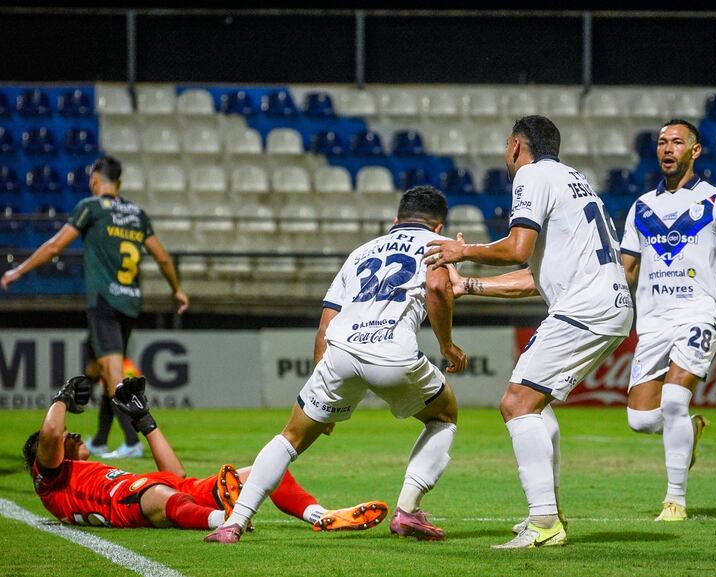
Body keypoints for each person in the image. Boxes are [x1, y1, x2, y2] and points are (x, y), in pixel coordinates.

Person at [204, 185, 467, 544]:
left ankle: (233, 523)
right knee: (444, 415)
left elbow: (325, 324)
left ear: (395, 220)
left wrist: (322, 399)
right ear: (438, 227)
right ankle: (407, 511)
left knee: (291, 437)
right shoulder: (441, 246)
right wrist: (447, 345)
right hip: (392, 351)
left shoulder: (360, 252)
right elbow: (437, 289)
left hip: (341, 351)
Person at [424, 115, 633, 549]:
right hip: (607, 306)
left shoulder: (532, 175)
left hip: (585, 308)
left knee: (516, 403)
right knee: (536, 404)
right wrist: (469, 285)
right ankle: (548, 514)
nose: (506, 154)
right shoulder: (576, 181)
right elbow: (532, 278)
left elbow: (517, 248)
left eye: (507, 145)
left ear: (517, 145)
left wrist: (464, 250)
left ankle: (544, 522)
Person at [619, 119, 716, 521]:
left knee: (672, 401)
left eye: (677, 142)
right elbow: (625, 270)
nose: (667, 148)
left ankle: (675, 501)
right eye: (662, 142)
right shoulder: (641, 207)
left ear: (695, 151)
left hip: (698, 313)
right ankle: (692, 428)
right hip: (653, 322)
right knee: (640, 420)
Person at [23, 375, 388, 532]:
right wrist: (62, 397)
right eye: (64, 436)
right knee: (160, 494)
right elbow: (51, 433)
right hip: (132, 505)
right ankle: (224, 520)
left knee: (265, 470)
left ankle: (320, 515)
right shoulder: (52, 481)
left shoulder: (87, 474)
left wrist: (144, 421)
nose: (71, 433)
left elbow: (176, 476)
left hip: (166, 493)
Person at [2, 155, 190, 459]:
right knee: (96, 370)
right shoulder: (137, 214)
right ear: (119, 182)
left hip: (104, 302)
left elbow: (55, 246)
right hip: (129, 301)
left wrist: (19, 271)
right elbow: (163, 257)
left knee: (112, 374)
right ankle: (101, 440)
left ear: (93, 180)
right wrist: (177, 289)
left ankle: (132, 440)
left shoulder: (91, 207)